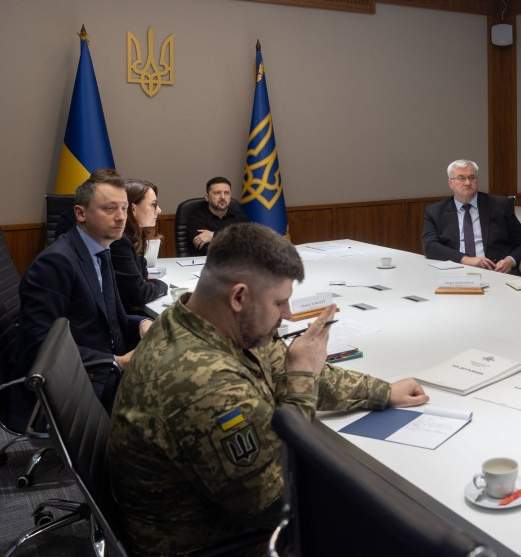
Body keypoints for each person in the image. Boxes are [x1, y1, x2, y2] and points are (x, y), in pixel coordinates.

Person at [107, 222, 429, 556]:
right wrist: (302, 379)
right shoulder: (202, 381)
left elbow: (284, 363)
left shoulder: (196, 318)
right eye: (280, 303)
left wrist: (382, 392)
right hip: (214, 542)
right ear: (239, 297)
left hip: (220, 510)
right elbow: (277, 499)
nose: (288, 314)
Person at [6, 169, 151, 428]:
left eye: (124, 208)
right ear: (80, 213)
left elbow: (110, 319)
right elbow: (40, 349)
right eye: (109, 209)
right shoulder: (56, 263)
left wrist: (140, 323)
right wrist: (116, 362)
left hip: (100, 368)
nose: (121, 218)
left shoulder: (101, 251)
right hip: (77, 384)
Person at [422, 159, 521, 273]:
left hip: (496, 271)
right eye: (461, 178)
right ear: (451, 183)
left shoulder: (500, 205)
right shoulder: (435, 211)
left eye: (472, 177)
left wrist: (510, 261)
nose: (468, 183)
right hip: (456, 270)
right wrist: (465, 259)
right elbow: (430, 246)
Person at [111, 178, 168, 312]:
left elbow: (143, 276)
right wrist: (162, 285)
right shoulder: (119, 241)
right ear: (133, 208)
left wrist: (147, 283)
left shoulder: (136, 235)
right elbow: (139, 294)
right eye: (154, 204)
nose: (159, 210)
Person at [186, 176, 247, 254]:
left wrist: (213, 235)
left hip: (236, 264)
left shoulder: (239, 216)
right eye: (217, 193)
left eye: (226, 193)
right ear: (207, 197)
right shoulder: (196, 219)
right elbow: (208, 249)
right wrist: (235, 239)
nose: (222, 197)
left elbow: (248, 243)